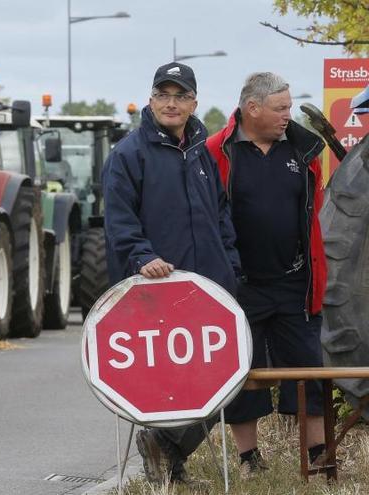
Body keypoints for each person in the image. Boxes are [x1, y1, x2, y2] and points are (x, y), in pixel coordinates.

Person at [102, 61, 241, 484]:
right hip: (157, 290)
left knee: (219, 379)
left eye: (180, 96)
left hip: (207, 290)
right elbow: (119, 219)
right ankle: (167, 452)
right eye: (163, 95)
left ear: (194, 103)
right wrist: (142, 257)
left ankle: (168, 451)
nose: (171, 103)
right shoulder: (129, 154)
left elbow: (221, 217)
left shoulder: (201, 151)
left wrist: (230, 266)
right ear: (151, 100)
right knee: (169, 382)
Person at [206, 72, 327, 478]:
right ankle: (248, 461)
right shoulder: (216, 152)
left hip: (294, 283)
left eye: (290, 107)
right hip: (241, 287)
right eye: (281, 108)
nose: (288, 116)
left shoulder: (302, 151)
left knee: (309, 370)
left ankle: (318, 455)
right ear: (251, 109)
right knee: (245, 373)